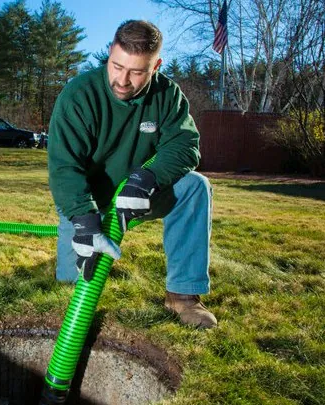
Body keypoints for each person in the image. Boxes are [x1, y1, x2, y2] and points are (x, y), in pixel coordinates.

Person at [47, 20, 217, 329]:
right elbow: (64, 166)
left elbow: (185, 145)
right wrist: (83, 221)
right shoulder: (79, 95)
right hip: (88, 199)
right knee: (71, 290)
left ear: (156, 66)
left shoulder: (167, 95)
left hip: (139, 195)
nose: (122, 81)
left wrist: (147, 178)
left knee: (195, 187)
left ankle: (183, 296)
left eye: (137, 72)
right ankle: (76, 259)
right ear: (110, 53)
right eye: (116, 66)